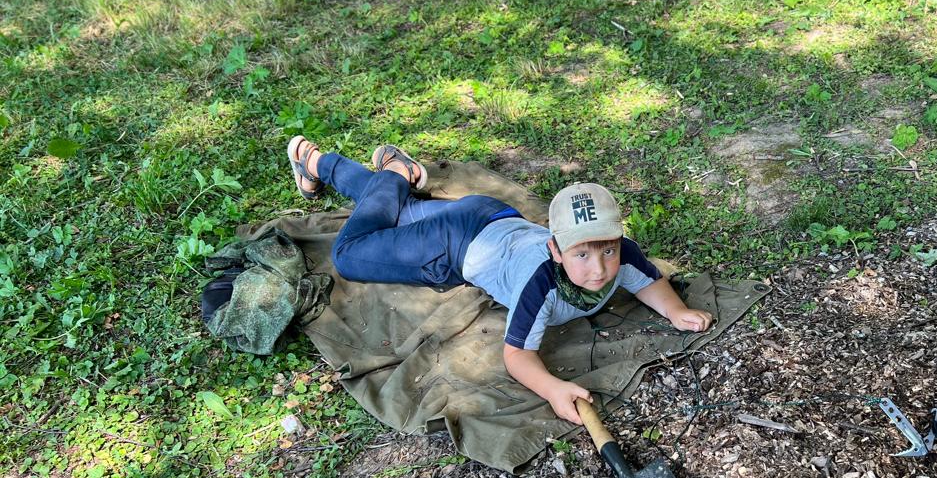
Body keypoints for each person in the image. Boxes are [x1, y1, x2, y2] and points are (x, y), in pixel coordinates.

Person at [287, 136, 714, 424]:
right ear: (556, 250)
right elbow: (517, 356)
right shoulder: (540, 283)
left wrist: (675, 310)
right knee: (349, 254)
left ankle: (320, 163)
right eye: (581, 254)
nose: (600, 269)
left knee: (396, 212)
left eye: (608, 250)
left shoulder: (625, 254)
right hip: (454, 244)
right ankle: (396, 173)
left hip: (490, 215)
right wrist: (553, 388)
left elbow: (647, 281)